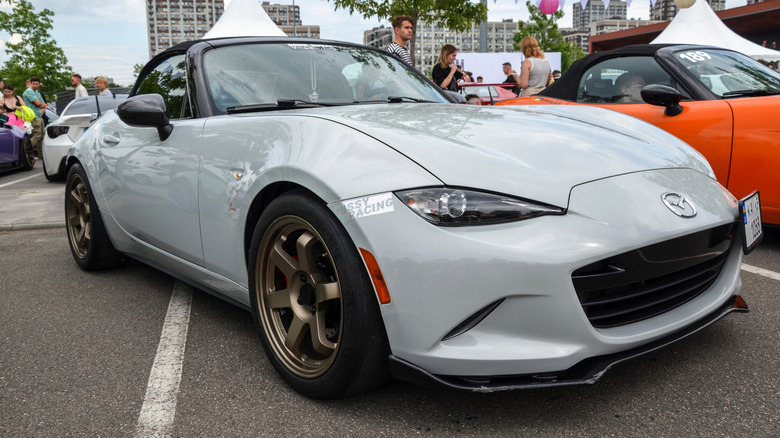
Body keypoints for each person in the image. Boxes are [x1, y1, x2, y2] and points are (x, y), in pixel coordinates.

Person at [22, 76, 46, 157]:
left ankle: (41, 155)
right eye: (34, 84)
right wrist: (39, 104)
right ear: (31, 84)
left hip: (39, 115)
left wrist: (40, 104)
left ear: (39, 84)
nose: (35, 85)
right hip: (32, 116)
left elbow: (44, 104)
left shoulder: (37, 93)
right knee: (37, 134)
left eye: (37, 84)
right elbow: (38, 103)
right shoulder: (29, 91)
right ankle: (25, 149)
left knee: (41, 136)